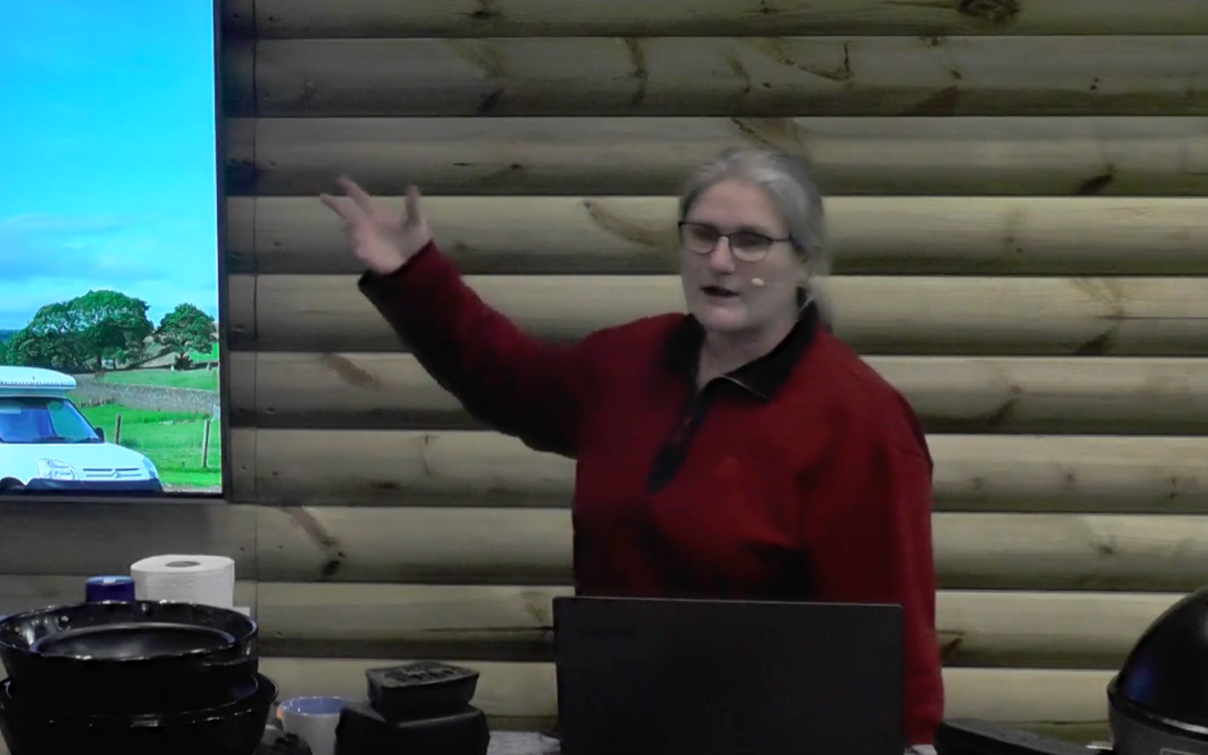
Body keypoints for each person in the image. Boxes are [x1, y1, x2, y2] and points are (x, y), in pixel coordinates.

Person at [322, 146, 944, 753]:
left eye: (751, 241)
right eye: (702, 235)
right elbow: (508, 382)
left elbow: (893, 648)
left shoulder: (860, 422)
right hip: (614, 728)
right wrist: (412, 273)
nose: (720, 261)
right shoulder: (629, 363)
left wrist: (911, 739)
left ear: (805, 260)